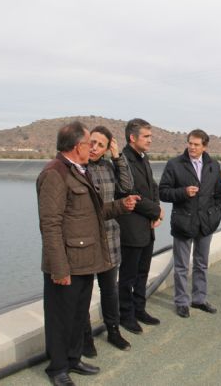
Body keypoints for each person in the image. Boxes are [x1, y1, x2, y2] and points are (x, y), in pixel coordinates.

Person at [37, 121, 139, 386]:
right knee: (61, 317)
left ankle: (73, 359)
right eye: (88, 143)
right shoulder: (55, 173)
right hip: (67, 264)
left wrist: (120, 205)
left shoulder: (79, 171)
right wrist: (59, 269)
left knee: (77, 314)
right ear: (75, 146)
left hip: (85, 261)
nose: (92, 147)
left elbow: (93, 213)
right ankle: (57, 368)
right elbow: (50, 225)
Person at [159, 129, 221, 318]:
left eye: (196, 144)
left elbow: (219, 195)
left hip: (206, 224)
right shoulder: (174, 164)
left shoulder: (213, 165)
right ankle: (181, 301)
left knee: (201, 263)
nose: (192, 147)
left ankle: (199, 299)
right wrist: (183, 192)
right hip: (183, 222)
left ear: (205, 146)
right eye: (190, 143)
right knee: (181, 266)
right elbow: (162, 192)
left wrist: (215, 214)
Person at [82, 126, 133, 356]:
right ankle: (85, 338)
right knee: (83, 291)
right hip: (85, 240)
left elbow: (127, 186)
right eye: (92, 142)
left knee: (109, 290)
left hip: (110, 237)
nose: (94, 148)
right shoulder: (79, 168)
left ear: (106, 148)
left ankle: (113, 331)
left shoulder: (108, 166)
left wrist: (117, 155)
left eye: (100, 145)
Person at [116, 118, 164, 335]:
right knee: (128, 275)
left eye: (150, 136)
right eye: (146, 136)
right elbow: (130, 193)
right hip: (132, 228)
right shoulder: (123, 160)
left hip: (146, 227)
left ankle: (139, 309)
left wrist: (158, 208)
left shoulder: (143, 158)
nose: (150, 140)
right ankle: (126, 315)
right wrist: (155, 211)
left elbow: (153, 186)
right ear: (132, 137)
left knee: (142, 272)